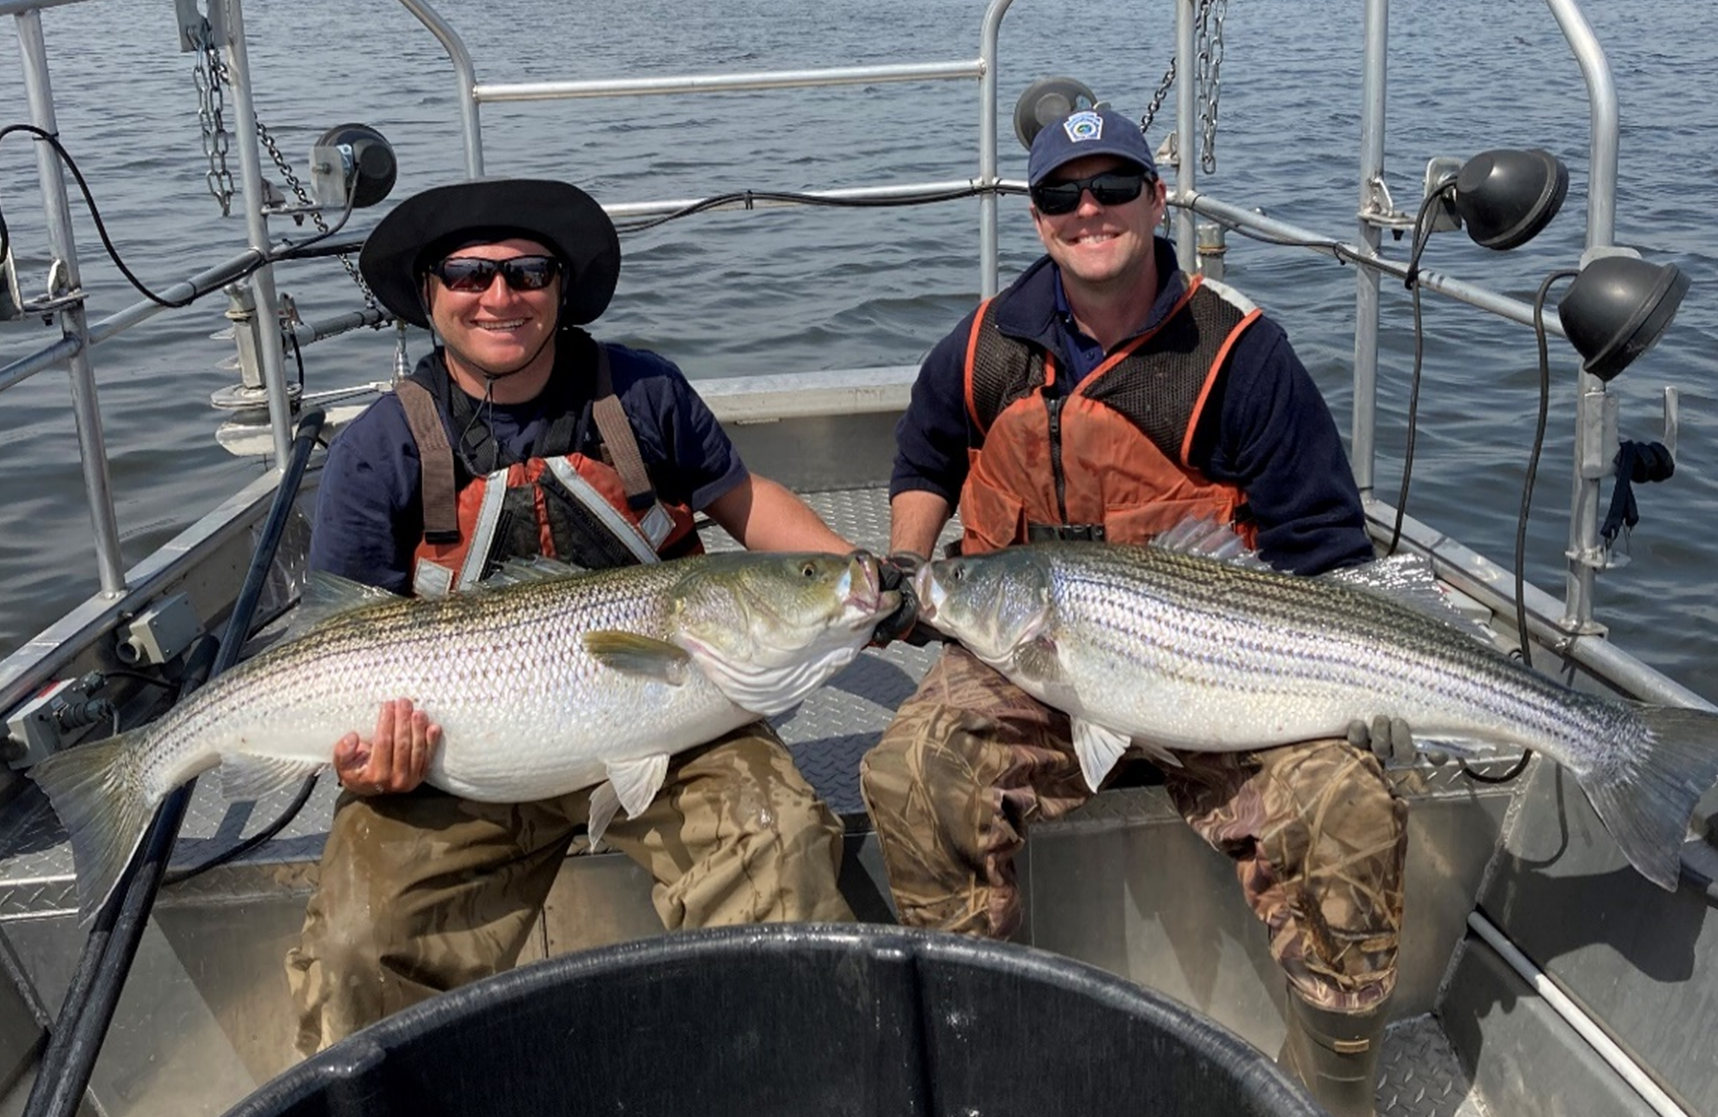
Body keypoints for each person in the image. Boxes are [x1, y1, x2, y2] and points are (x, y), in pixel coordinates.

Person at [860, 110, 1407, 1117]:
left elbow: (1326, 553)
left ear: (1156, 202)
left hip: (1222, 670)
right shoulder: (985, 343)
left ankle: (1334, 1094)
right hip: (1030, 652)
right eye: (1062, 195)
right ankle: (987, 1061)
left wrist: (1349, 678)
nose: (1088, 212)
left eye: (1113, 187)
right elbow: (923, 452)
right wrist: (910, 556)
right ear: (1035, 219)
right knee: (911, 770)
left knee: (1349, 811)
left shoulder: (1239, 355)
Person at [285, 178, 859, 1056]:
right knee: (356, 945)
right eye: (469, 274)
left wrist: (858, 577)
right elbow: (337, 641)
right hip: (458, 762)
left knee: (780, 847)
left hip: (680, 728)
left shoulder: (644, 391)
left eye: (527, 272)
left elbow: (746, 504)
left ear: (561, 288)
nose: (499, 296)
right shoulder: (378, 447)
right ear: (430, 292)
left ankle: (779, 1067)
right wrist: (366, 765)